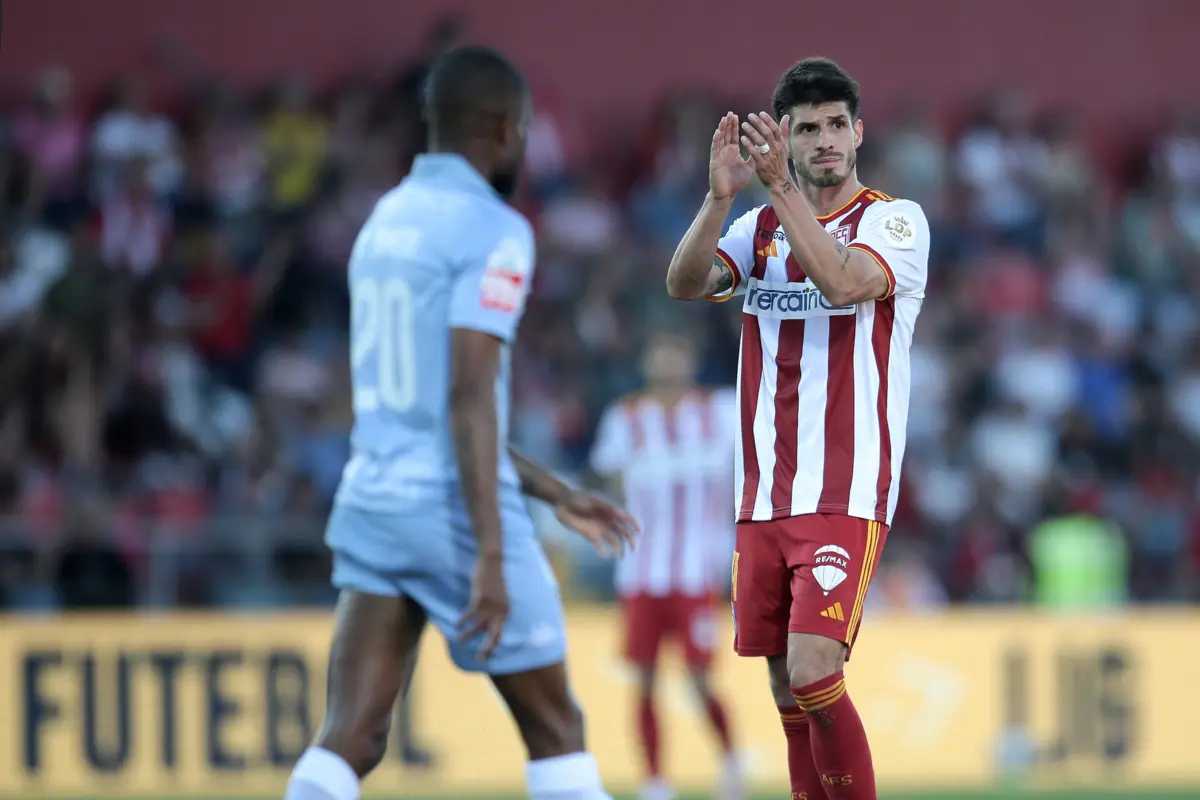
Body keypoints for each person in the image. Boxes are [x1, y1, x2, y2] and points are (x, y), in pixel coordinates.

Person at [284, 46, 636, 800]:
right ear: (506, 128)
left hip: (374, 501)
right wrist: (489, 552)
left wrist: (553, 491)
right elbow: (470, 396)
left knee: (350, 736)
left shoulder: (382, 221)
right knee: (557, 733)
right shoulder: (492, 227)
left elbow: (426, 402)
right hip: (453, 511)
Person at [665, 58, 930, 800]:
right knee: (786, 690)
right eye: (806, 128)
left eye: (836, 125)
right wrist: (720, 200)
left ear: (859, 132)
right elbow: (684, 284)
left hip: (844, 490)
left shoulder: (894, 220)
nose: (824, 140)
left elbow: (844, 283)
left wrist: (779, 187)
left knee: (817, 669)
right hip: (762, 499)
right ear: (781, 134)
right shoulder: (752, 232)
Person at [589, 333, 741, 800]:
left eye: (677, 352)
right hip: (640, 573)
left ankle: (730, 760)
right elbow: (606, 479)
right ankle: (656, 780)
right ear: (647, 360)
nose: (669, 361)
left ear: (690, 360)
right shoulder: (625, 418)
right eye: (661, 352)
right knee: (646, 678)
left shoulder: (721, 409)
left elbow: (753, 465)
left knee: (699, 677)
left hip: (697, 570)